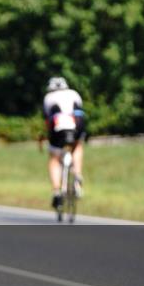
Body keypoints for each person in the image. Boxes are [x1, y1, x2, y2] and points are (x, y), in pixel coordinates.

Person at [41, 77, 88, 208]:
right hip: (76, 122)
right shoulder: (74, 93)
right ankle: (77, 175)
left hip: (58, 124)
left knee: (54, 158)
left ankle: (56, 191)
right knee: (77, 145)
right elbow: (80, 112)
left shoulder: (48, 97)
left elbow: (47, 121)